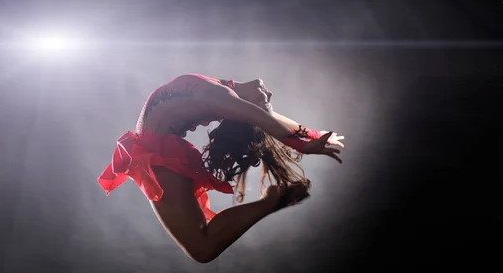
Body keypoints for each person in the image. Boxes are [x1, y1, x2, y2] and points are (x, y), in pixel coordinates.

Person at [98, 73, 345, 263]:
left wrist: (312, 134)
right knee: (201, 247)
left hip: (157, 150)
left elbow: (267, 116)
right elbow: (263, 117)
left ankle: (271, 202)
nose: (268, 99)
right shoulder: (224, 97)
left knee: (202, 248)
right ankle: (272, 201)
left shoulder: (229, 89)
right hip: (157, 150)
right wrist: (304, 146)